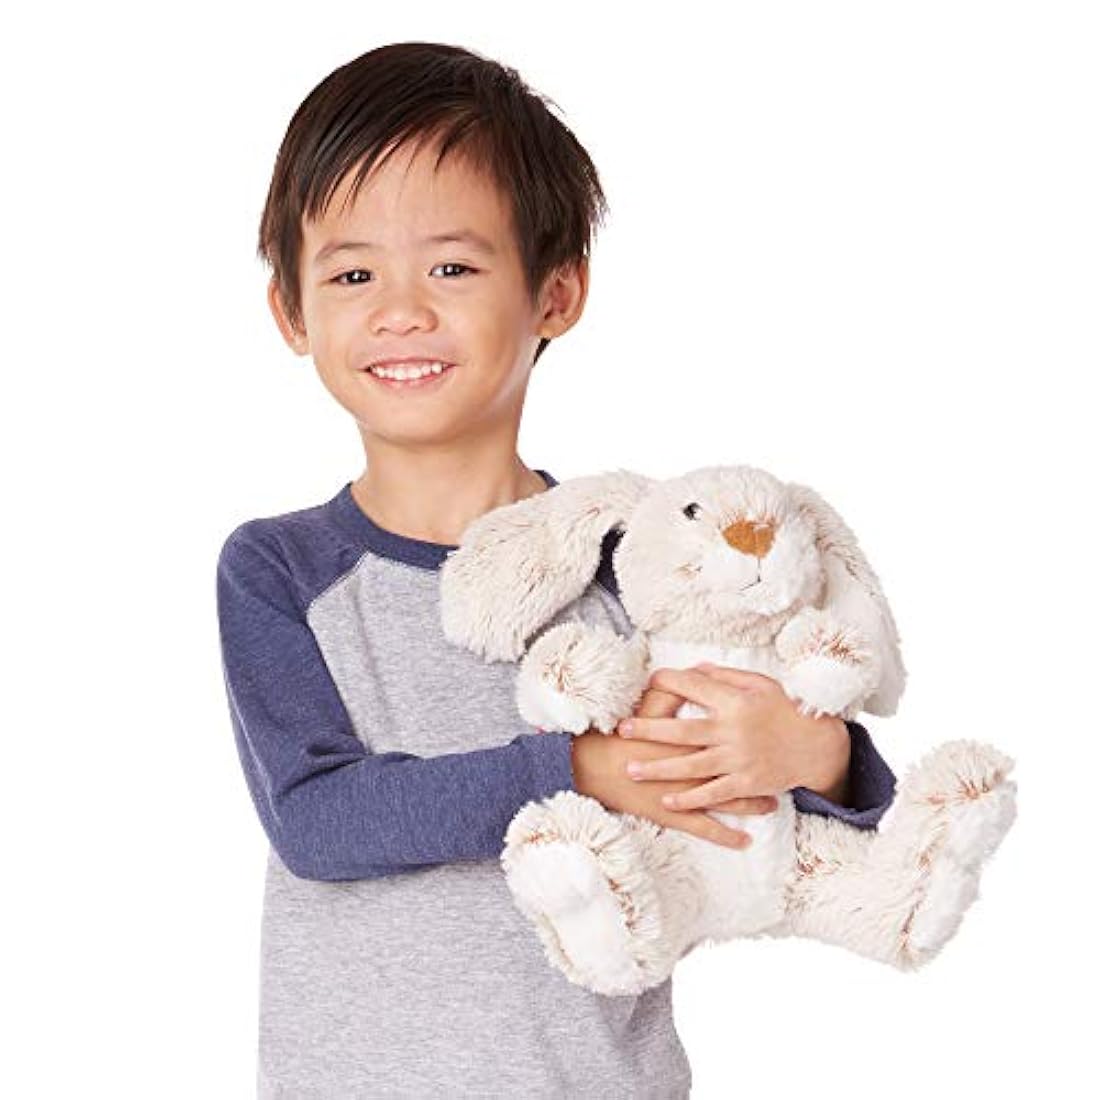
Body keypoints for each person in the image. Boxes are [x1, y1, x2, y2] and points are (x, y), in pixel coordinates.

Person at [216, 41, 898, 1098]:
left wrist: (820, 752)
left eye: (452, 267)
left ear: (556, 292)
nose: (401, 309)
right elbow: (318, 819)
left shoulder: (642, 561)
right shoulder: (280, 569)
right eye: (353, 274)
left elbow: (805, 815)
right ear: (292, 313)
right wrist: (574, 767)